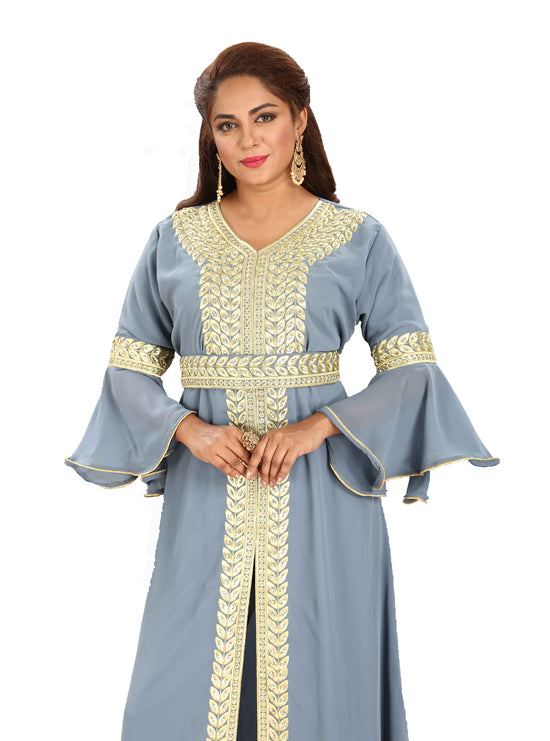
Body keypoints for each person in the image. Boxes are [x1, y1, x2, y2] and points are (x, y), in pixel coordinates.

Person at [65, 41, 499, 741]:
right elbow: (127, 370)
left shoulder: (358, 237)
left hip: (324, 492)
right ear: (210, 136)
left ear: (299, 119)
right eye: (227, 124)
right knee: (177, 683)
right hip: (208, 489)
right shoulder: (175, 239)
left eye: (264, 116)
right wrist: (188, 429)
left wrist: (318, 425)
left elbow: (413, 368)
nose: (248, 139)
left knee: (323, 672)